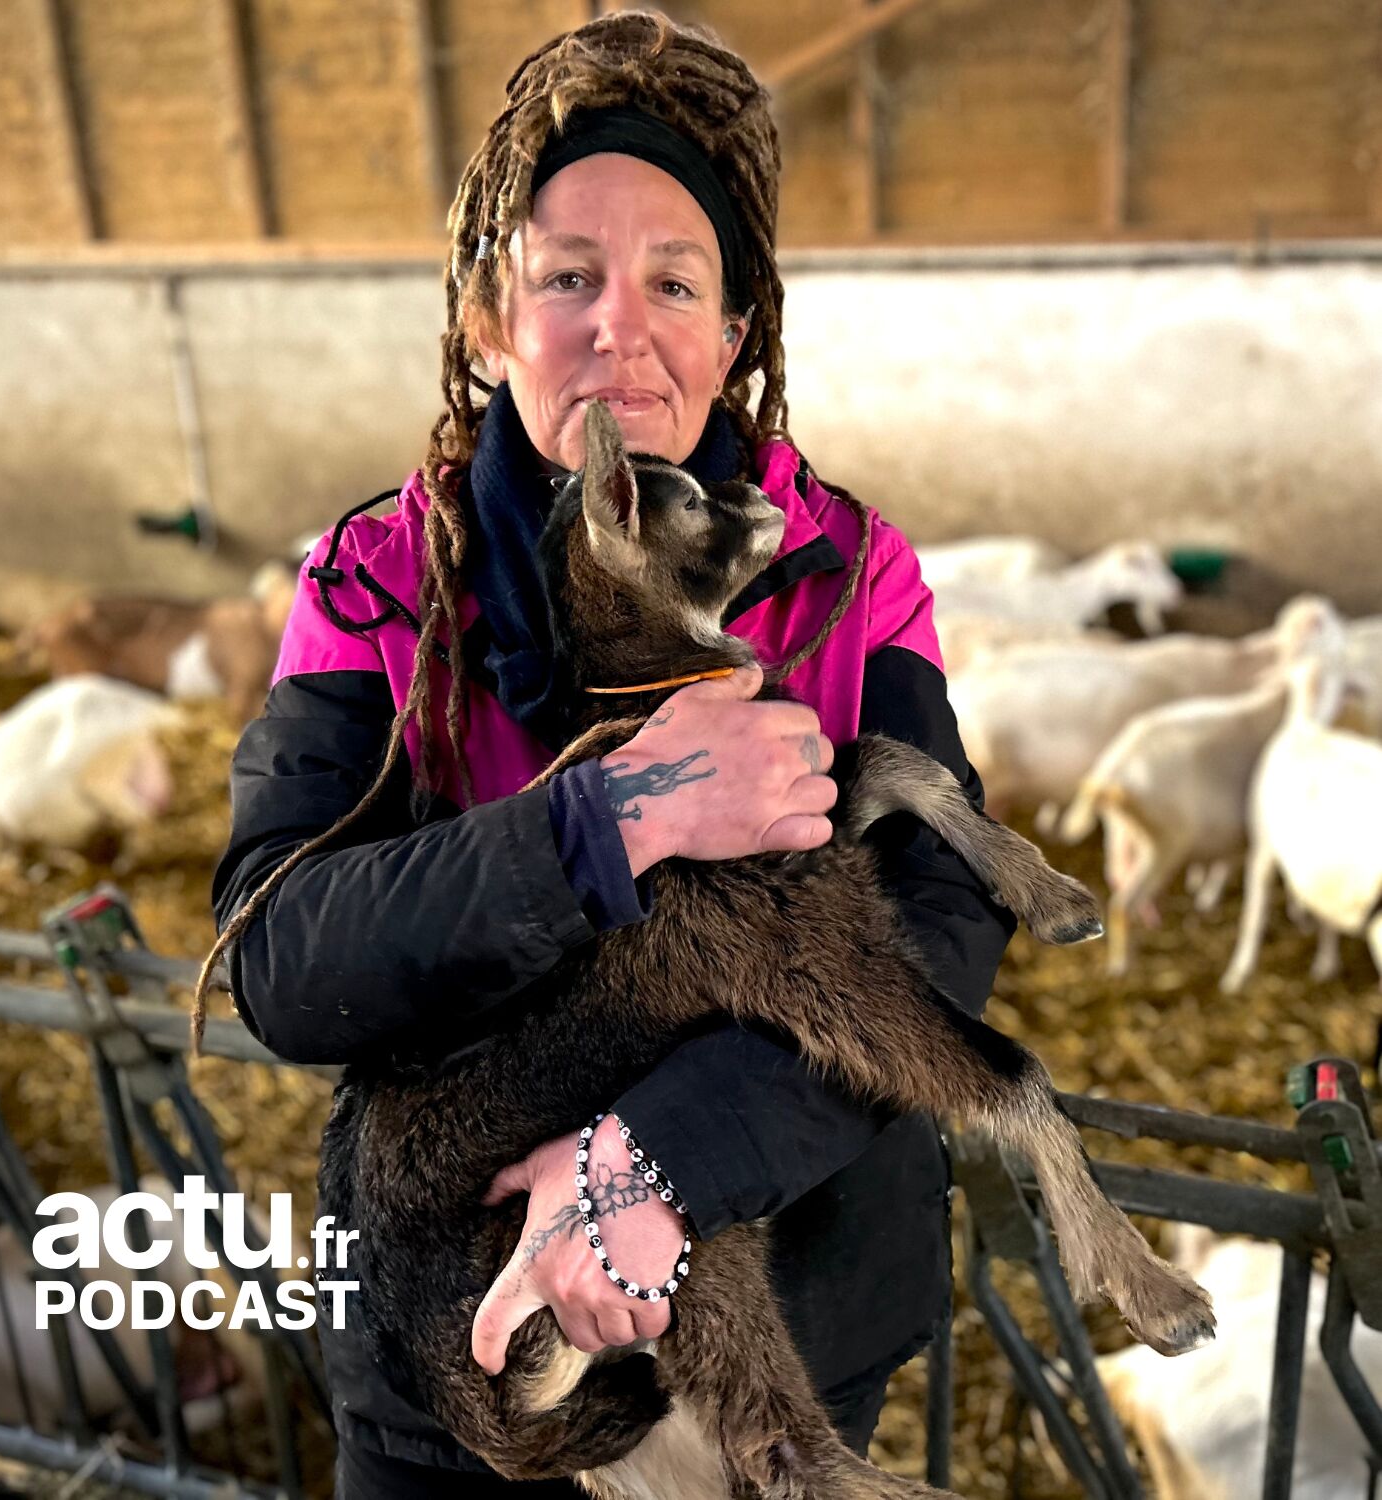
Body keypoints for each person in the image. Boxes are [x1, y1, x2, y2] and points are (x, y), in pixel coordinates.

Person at [210, 12, 1016, 1496]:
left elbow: (936, 935)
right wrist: (606, 822)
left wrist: (662, 1165)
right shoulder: (375, 581)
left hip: (782, 1353)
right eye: (566, 277)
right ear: (484, 317)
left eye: (675, 285)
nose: (617, 331)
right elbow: (278, 957)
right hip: (457, 1372)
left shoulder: (849, 574)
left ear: (736, 333)